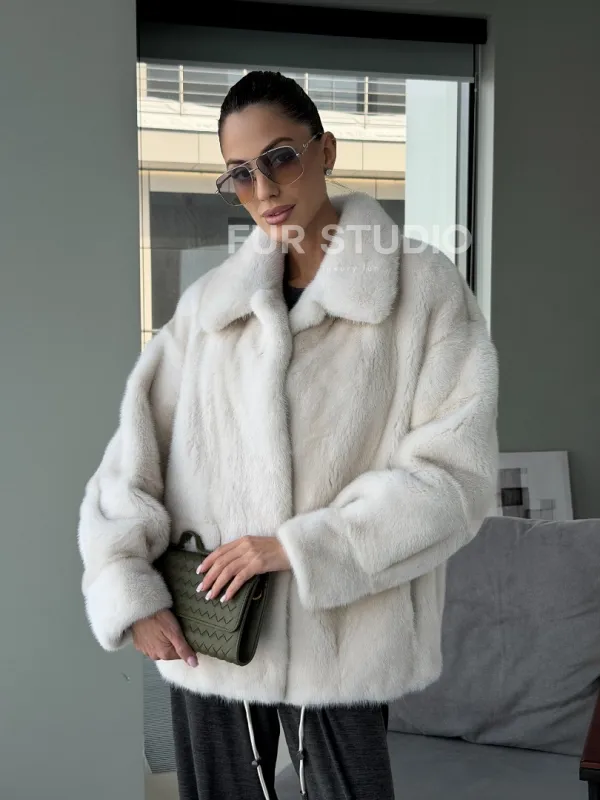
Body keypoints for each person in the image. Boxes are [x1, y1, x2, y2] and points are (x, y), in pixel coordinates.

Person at [77, 70, 499, 800]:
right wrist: (128, 590)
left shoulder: (423, 292)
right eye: (241, 173)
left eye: (280, 158)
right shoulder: (209, 308)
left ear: (325, 150)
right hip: (210, 630)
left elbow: (453, 477)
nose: (265, 188)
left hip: (345, 636)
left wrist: (299, 548)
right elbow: (129, 462)